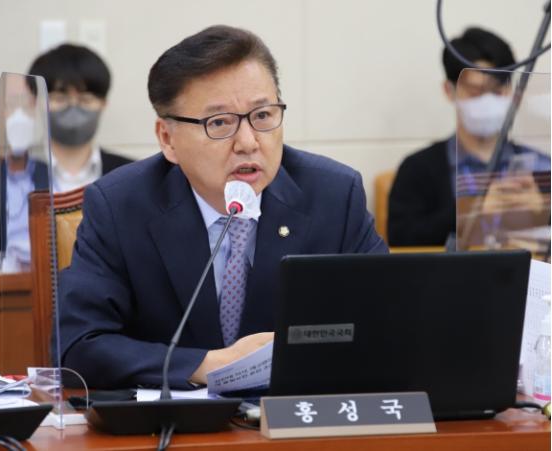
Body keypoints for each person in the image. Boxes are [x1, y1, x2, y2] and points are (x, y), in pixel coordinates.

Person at [58, 25, 388, 390]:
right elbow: (78, 344)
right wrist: (208, 365)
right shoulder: (120, 206)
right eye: (219, 123)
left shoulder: (334, 196)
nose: (248, 142)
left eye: (263, 116)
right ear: (168, 139)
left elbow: (388, 324)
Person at [0, 44, 133, 255]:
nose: (73, 108)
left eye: (85, 99)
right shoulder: (1, 175)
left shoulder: (130, 175)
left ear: (103, 103)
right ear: (35, 101)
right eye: (59, 98)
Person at [387, 27, 550, 247]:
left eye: (497, 91)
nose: (487, 101)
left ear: (513, 93)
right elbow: (400, 241)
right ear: (449, 90)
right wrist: (473, 211)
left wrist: (543, 209)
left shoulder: (542, 166)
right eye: (475, 92)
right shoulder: (418, 169)